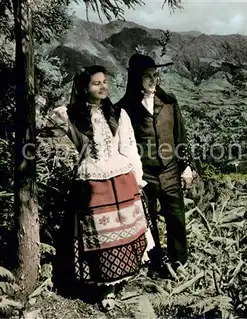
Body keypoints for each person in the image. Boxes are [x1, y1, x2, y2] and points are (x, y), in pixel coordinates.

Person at [39, 65, 154, 311]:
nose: (103, 87)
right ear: (84, 87)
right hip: (91, 179)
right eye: (96, 83)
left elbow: (129, 148)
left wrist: (138, 177)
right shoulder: (71, 115)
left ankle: (115, 285)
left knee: (123, 230)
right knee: (100, 235)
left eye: (105, 82)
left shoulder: (117, 115)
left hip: (121, 178)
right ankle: (102, 284)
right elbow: (44, 132)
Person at [115, 54, 197, 276]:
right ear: (135, 79)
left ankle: (179, 263)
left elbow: (181, 135)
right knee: (148, 220)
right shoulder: (124, 109)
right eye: (147, 76)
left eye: (155, 75)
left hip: (170, 170)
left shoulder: (169, 102)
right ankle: (155, 263)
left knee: (176, 218)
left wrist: (186, 166)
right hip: (145, 173)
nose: (153, 81)